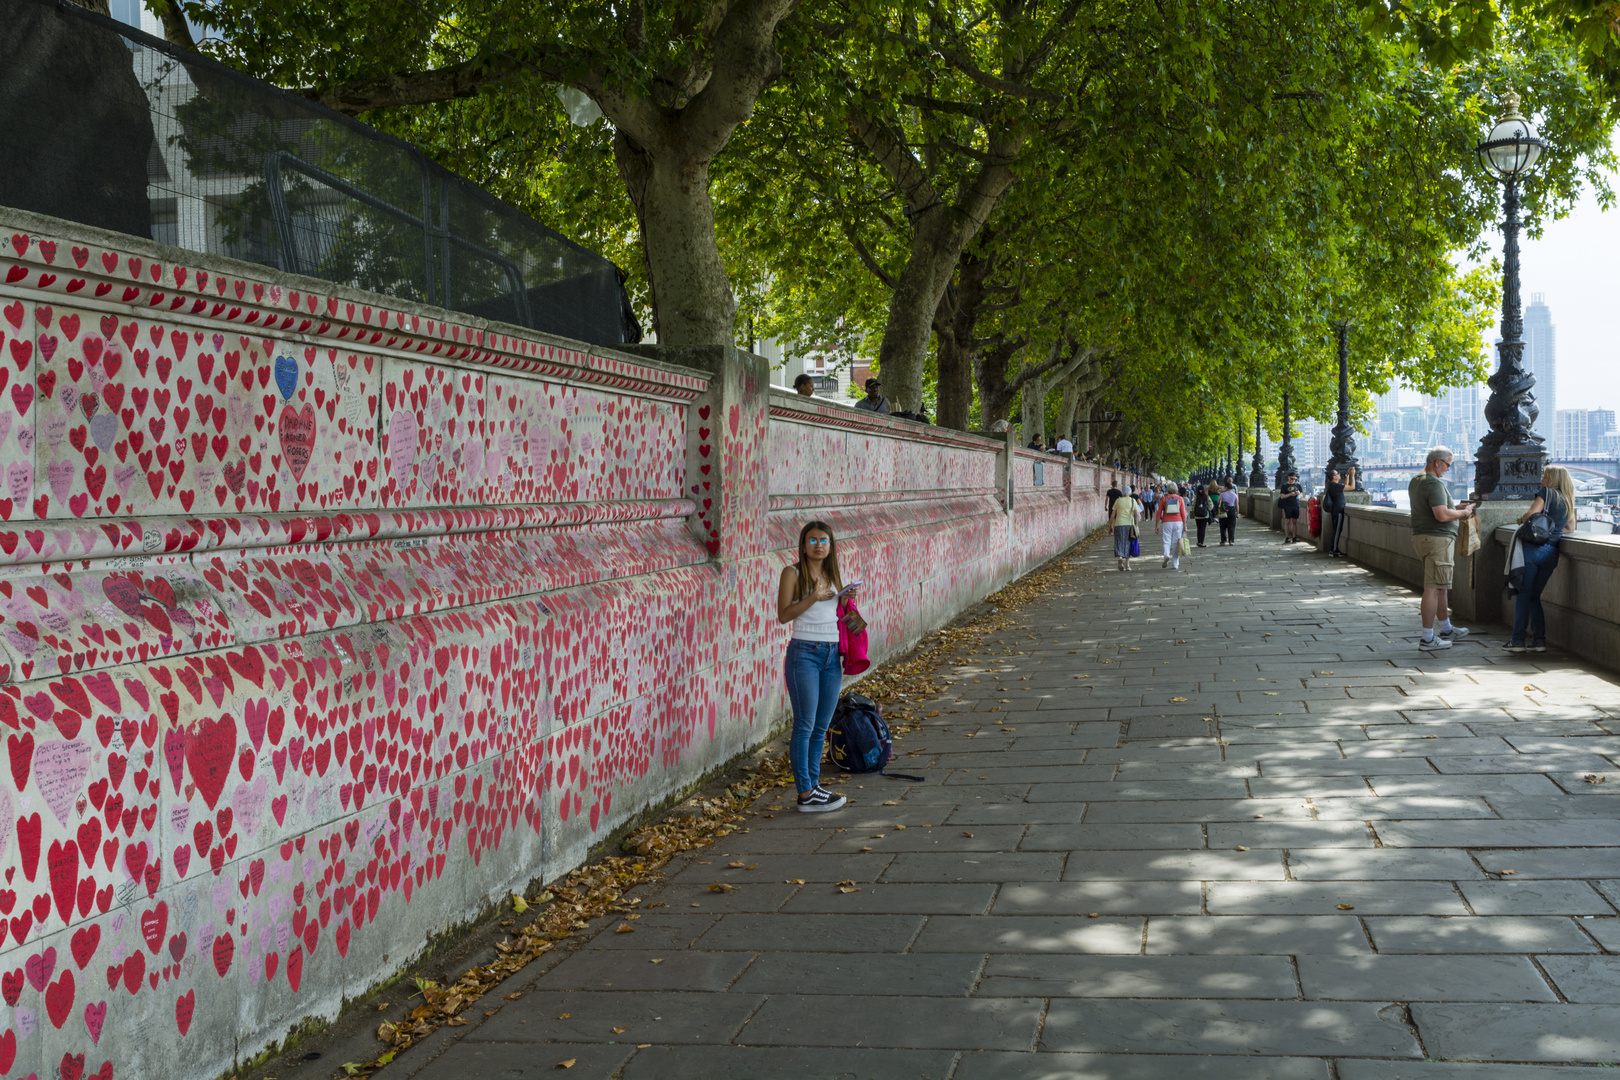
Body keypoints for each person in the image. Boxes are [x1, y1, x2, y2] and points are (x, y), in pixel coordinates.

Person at [776, 521, 855, 811]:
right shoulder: (792, 573)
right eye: (812, 540)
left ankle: (814, 786)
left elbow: (837, 617)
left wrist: (844, 601)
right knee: (805, 725)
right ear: (803, 544)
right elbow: (783, 615)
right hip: (804, 654)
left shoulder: (832, 573)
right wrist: (812, 597)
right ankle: (805, 793)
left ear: (831, 545)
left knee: (822, 726)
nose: (818, 545)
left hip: (831, 655)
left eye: (824, 540)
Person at [1504, 466, 1577, 654]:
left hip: (1533, 550)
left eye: (1545, 476)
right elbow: (1570, 527)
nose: (1541, 479)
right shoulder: (1567, 499)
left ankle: (1518, 640)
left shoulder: (1546, 493)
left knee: (1524, 594)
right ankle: (1538, 641)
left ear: (1552, 479)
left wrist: (1521, 519)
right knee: (1534, 597)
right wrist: (1552, 532)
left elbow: (1531, 514)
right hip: (1552, 553)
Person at [1409, 447, 1474, 650]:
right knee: (1432, 587)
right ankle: (1427, 638)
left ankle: (1446, 629)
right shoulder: (1433, 483)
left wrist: (1455, 510)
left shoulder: (1416, 481)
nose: (1448, 469)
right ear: (1437, 462)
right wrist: (1464, 514)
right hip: (1437, 540)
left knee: (1440, 585)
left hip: (1423, 537)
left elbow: (1439, 511)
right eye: (1447, 464)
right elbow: (1441, 515)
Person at [1322, 466, 1356, 556]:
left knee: (1337, 530)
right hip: (1337, 510)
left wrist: (1347, 475)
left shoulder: (1333, 485)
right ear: (1334, 477)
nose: (1339, 474)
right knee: (1337, 530)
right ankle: (1333, 550)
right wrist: (1353, 475)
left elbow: (1344, 485)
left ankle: (1334, 549)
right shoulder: (1334, 485)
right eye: (1337, 474)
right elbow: (1352, 487)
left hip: (1336, 510)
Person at [1156, 482, 1188, 569]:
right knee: (1176, 542)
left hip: (1166, 522)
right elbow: (1183, 513)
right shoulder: (1180, 498)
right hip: (1178, 522)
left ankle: (1166, 555)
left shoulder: (1164, 498)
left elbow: (1159, 513)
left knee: (1166, 541)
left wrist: (1157, 525)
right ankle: (1175, 564)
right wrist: (1185, 525)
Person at [1111, 483, 1140, 571]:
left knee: (1119, 541)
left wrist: (1110, 526)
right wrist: (1136, 525)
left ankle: (1120, 557)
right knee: (1129, 543)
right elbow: (1136, 514)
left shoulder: (1118, 501)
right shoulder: (1132, 501)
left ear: (1122, 493)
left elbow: (1112, 515)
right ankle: (1127, 565)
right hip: (1129, 525)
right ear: (1130, 493)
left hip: (1118, 524)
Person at [1277, 471, 1304, 543]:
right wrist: (1290, 494)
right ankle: (1287, 537)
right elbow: (1282, 496)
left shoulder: (1298, 485)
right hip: (1288, 505)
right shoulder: (1284, 486)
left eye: (1294, 479)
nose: (1293, 480)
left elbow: (1301, 495)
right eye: (1292, 479)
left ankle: (1294, 537)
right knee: (1287, 521)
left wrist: (1298, 494)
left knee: (1294, 521)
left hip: (1296, 504)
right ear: (1288, 477)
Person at [1192, 482, 1213, 547]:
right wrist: (1207, 510)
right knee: (1203, 529)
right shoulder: (1207, 497)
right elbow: (1211, 505)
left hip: (1197, 516)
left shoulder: (1196, 497)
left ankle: (1198, 541)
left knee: (1199, 528)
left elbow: (1193, 505)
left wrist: (1194, 511)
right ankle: (1201, 542)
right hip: (1205, 515)